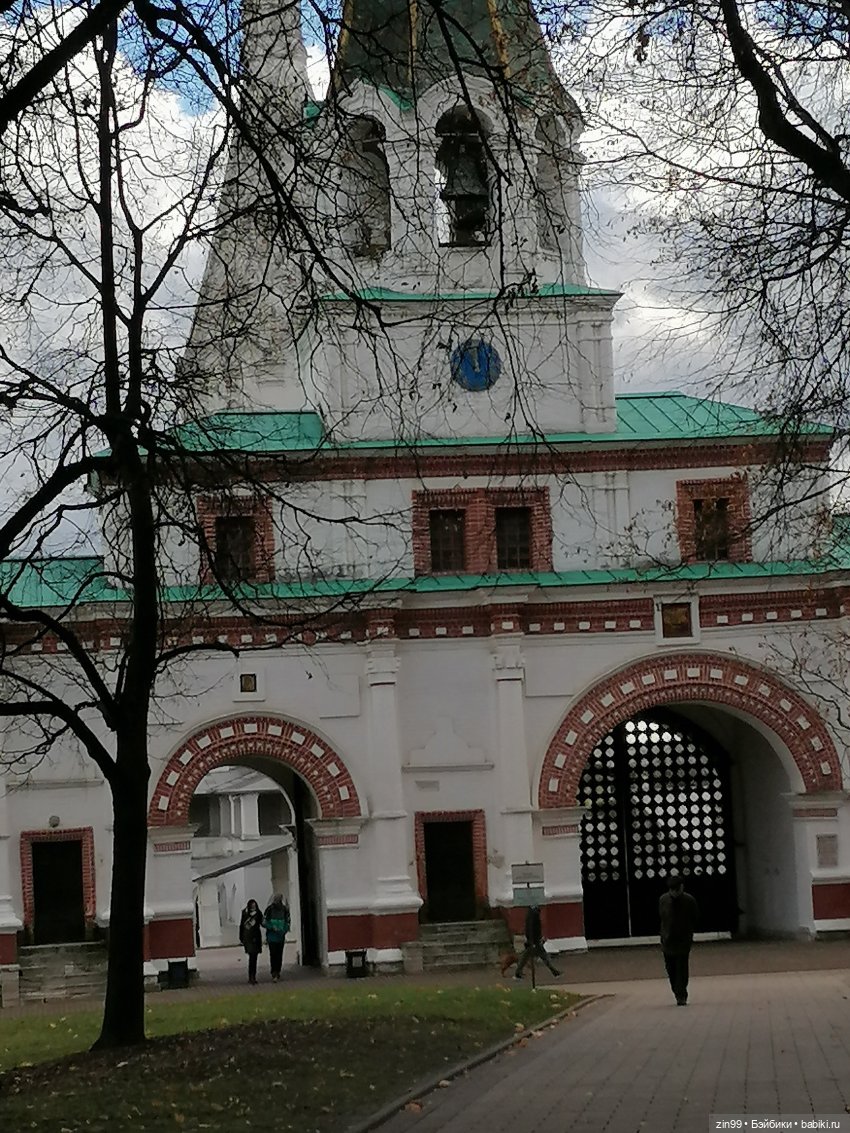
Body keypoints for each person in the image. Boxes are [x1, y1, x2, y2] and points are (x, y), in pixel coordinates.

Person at [659, 873, 699, 1005]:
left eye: (677, 889)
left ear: (682, 887)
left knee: (681, 968)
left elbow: (695, 917)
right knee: (671, 968)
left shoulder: (689, 900)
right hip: (668, 940)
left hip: (683, 940)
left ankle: (681, 994)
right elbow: (662, 918)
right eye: (673, 890)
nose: (675, 892)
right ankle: (676, 990)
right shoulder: (664, 900)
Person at [514, 904, 560, 979]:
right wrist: (536, 939)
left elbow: (529, 929)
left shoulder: (530, 914)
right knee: (544, 957)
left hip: (532, 940)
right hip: (534, 941)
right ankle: (555, 972)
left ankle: (517, 973)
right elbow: (534, 929)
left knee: (525, 957)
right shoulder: (534, 915)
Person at [264, 893, 290, 981]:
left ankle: (278, 970)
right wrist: (271, 927)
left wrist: (283, 930)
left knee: (279, 954)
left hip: (280, 936)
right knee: (273, 954)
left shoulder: (285, 910)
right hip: (272, 936)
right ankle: (274, 971)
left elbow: (288, 922)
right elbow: (264, 922)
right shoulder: (269, 910)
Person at [239, 898, 264, 985]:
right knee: (251, 957)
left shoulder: (258, 913)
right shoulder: (245, 913)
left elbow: (262, 923)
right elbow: (242, 925)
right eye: (252, 905)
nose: (253, 907)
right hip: (248, 938)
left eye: (254, 905)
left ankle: (253, 976)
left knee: (254, 958)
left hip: (256, 938)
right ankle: (251, 976)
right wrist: (241, 937)